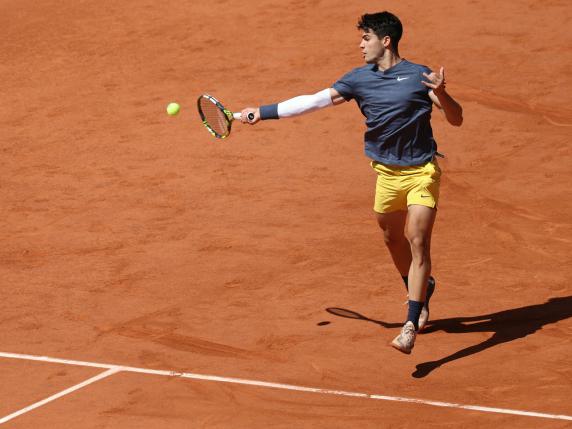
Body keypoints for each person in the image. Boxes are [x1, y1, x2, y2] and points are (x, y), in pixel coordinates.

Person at [240, 11, 463, 354]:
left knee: (416, 239)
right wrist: (264, 111)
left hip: (422, 172)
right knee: (392, 240)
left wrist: (443, 94)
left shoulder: (420, 76)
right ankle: (420, 286)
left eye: (366, 38)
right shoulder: (358, 79)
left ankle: (410, 322)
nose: (360, 45)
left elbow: (456, 118)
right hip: (386, 175)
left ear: (385, 41)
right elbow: (314, 101)